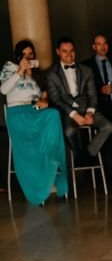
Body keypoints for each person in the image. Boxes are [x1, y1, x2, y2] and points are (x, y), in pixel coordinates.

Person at [1, 40, 68, 204]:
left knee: (52, 114)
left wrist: (44, 100)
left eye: (31, 54)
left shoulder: (37, 73)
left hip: (34, 110)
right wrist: (19, 71)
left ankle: (52, 160)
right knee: (43, 125)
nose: (28, 57)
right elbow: (3, 90)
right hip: (17, 112)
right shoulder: (10, 67)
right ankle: (41, 182)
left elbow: (43, 96)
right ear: (18, 56)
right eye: (24, 54)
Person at [47, 36, 112, 166]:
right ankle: (79, 154)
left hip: (87, 108)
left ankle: (86, 155)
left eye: (72, 51)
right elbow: (55, 99)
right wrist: (74, 115)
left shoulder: (86, 70)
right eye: (65, 51)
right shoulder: (52, 74)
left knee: (108, 126)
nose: (69, 54)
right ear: (58, 52)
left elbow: (93, 95)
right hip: (68, 112)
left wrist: (89, 112)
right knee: (70, 131)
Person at [81, 34, 112, 184]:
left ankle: (111, 173)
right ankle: (95, 175)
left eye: (105, 43)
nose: (102, 47)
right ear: (93, 47)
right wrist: (100, 90)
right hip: (97, 107)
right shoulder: (86, 65)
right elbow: (84, 90)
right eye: (99, 44)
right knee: (99, 139)